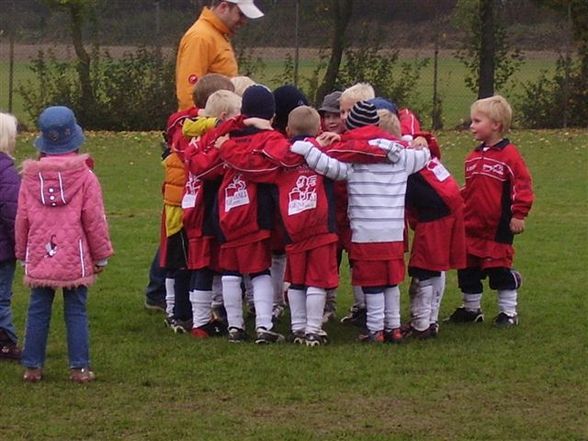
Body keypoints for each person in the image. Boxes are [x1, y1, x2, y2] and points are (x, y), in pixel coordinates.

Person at [290, 100, 430, 343]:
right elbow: (423, 156)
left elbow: (328, 166)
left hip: (366, 232)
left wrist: (306, 149)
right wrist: (415, 142)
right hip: (395, 232)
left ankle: (375, 329)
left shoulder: (354, 159)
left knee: (373, 283)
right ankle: (394, 326)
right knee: (391, 282)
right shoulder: (401, 157)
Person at [218, 105, 340, 346]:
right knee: (317, 279)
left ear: (286, 130)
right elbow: (350, 158)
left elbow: (254, 167)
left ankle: (297, 328)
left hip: (292, 227)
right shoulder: (327, 151)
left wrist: (227, 148)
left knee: (295, 278)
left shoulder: (281, 157)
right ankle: (313, 329)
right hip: (321, 227)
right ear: (319, 129)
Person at [16, 106, 113, 383]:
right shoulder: (85, 177)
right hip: (76, 255)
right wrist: (101, 255)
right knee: (76, 309)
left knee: (37, 307)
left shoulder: (29, 178)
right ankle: (79, 367)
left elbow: (21, 219)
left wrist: (23, 254)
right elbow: (94, 219)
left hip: (39, 251)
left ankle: (32, 366)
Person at [375, 104, 466, 339]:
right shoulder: (410, 146)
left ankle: (422, 325)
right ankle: (430, 321)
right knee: (434, 265)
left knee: (424, 267)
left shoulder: (398, 156)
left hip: (438, 210)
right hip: (449, 203)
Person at [446, 95, 534, 327]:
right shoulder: (473, 157)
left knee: (497, 269)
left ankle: (508, 312)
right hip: (471, 225)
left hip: (497, 226)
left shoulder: (509, 156)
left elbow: (521, 185)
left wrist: (519, 213)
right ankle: (471, 309)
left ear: (495, 125)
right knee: (468, 269)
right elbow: (471, 190)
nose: (471, 126)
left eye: (477, 121)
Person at [175, 0, 264, 111]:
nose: (243, 21)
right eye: (241, 14)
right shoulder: (201, 37)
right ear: (223, 7)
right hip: (207, 123)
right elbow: (188, 93)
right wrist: (197, 123)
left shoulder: (216, 35)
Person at [0, 112, 21, 361]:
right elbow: (12, 214)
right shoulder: (6, 173)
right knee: (2, 297)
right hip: (3, 250)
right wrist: (21, 247)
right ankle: (4, 341)